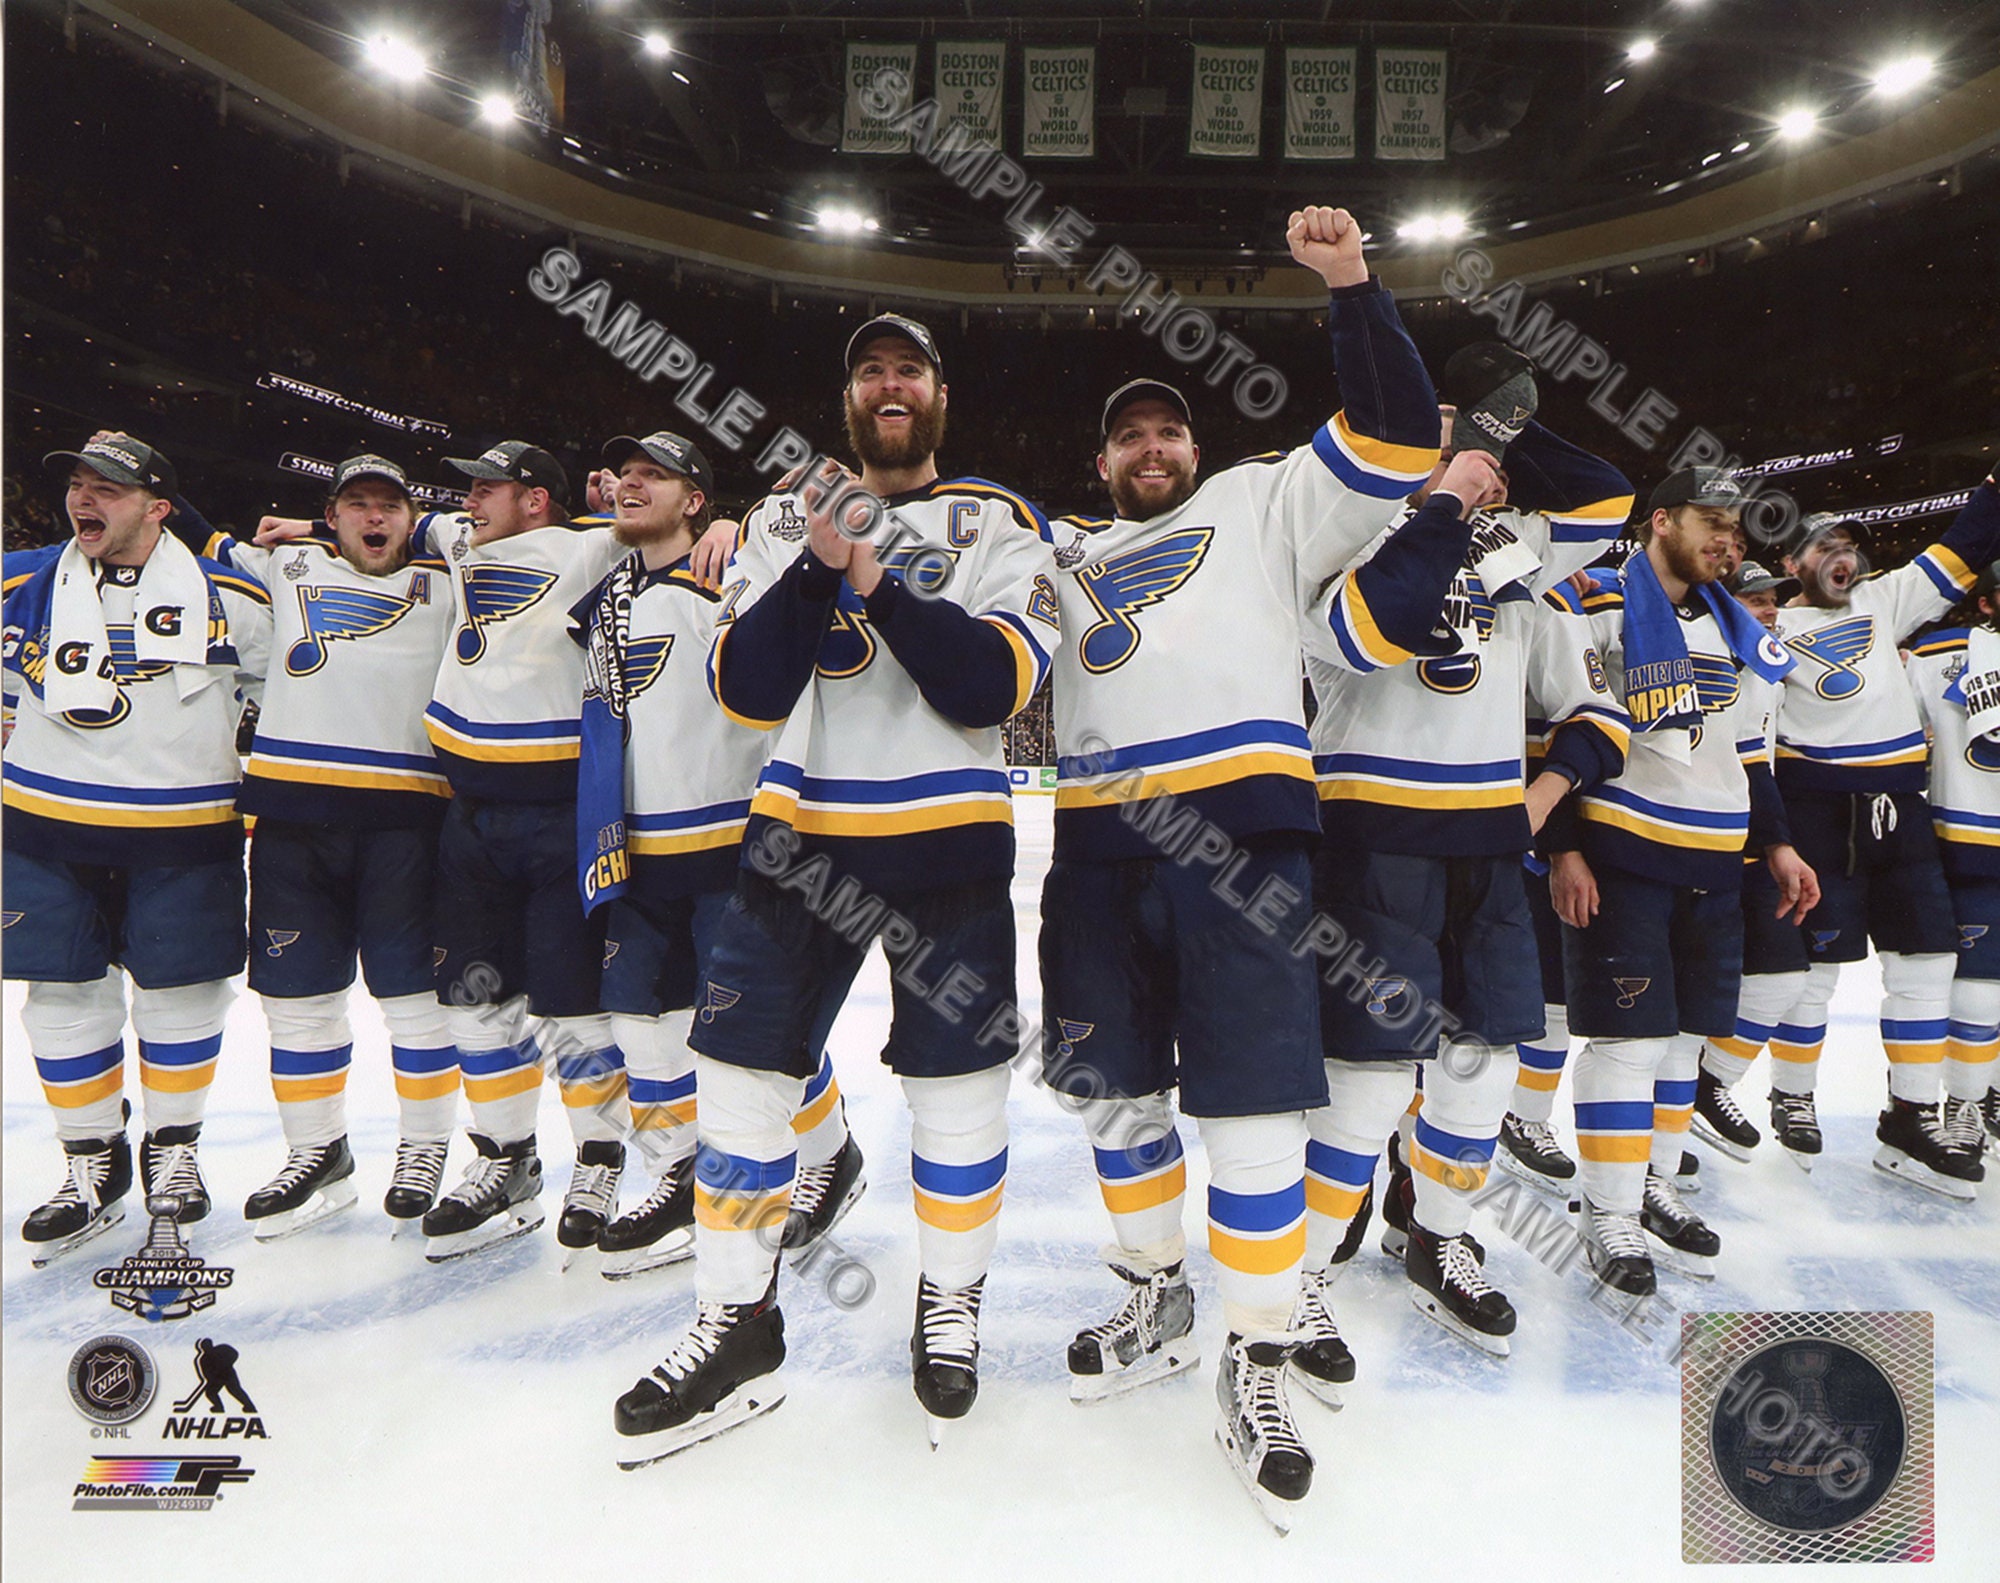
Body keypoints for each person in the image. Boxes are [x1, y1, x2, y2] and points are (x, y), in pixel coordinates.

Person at [1038, 205, 1453, 1526]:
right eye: (1129, 433)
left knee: (1258, 1105)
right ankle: (1156, 1288)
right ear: (1100, 458)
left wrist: (1350, 284)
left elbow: (1394, 434)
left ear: (1193, 449)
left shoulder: (1262, 502)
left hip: (1243, 832)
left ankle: (1257, 1350)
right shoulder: (1054, 560)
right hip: (1098, 841)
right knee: (1115, 1094)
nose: (1151, 446)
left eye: (1168, 429)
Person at [613, 314, 1057, 1460]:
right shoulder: (773, 517)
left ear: (940, 394)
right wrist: (814, 561)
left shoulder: (1000, 521)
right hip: (798, 840)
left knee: (957, 1096)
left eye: (907, 368)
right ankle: (734, 1320)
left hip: (947, 844)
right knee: (737, 1084)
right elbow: (746, 691)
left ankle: (948, 1298)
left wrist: (882, 584)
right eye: (869, 370)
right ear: (848, 396)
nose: (889, 383)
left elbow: (990, 686)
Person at [1300, 343, 1633, 1360]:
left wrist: (1535, 799)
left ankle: (1437, 1237)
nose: (1454, 437)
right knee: (1359, 1079)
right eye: (1433, 426)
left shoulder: (1516, 558)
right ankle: (1301, 1269)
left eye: (1463, 426)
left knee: (1479, 1069)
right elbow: (1351, 644)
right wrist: (1436, 495)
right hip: (1368, 833)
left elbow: (1607, 501)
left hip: (1484, 847)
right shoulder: (1341, 537)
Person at [571, 430, 862, 1279]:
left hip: (729, 837)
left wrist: (743, 523)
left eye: (651, 476)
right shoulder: (609, 588)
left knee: (751, 1032)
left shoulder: (723, 575)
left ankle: (832, 1150)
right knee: (641, 1027)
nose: (630, 485)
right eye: (621, 474)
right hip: (633, 840)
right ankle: (676, 1176)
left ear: (697, 500)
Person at [1547, 467, 1817, 1295]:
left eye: (1737, 530)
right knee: (1627, 1044)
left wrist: (1775, 844)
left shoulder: (1733, 625)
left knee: (1684, 1040)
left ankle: (1651, 1181)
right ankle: (1610, 1210)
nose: (1728, 541)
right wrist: (1562, 846)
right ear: (1660, 518)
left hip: (1714, 858)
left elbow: (1745, 749)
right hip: (1624, 852)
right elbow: (1551, 722)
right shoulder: (1589, 598)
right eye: (1711, 521)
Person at [3, 433, 271, 1261]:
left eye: (109, 489)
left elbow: (285, 692)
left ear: (159, 508)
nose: (86, 499)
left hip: (184, 828)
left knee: (183, 994)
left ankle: (174, 1149)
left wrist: (258, 788)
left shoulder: (235, 593)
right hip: (46, 826)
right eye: (79, 485)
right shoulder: (20, 580)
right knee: (59, 994)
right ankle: (92, 1163)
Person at [199, 454, 461, 1237]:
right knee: (297, 1000)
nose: (374, 518)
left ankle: (424, 1149)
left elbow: (534, 538)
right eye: (356, 506)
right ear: (332, 513)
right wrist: (308, 532)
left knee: (416, 1002)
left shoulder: (452, 578)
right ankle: (317, 1152)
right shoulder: (284, 564)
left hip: (408, 824)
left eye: (390, 505)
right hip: (292, 823)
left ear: (413, 517)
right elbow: (186, 535)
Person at [1745, 478, 2000, 1194]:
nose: (1843, 557)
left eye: (1850, 546)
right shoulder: (1765, 633)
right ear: (1793, 562)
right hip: (1816, 812)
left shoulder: (1886, 601)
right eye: (1826, 545)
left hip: (1902, 811)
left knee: (1926, 963)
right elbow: (1751, 739)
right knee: (1815, 973)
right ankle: (1792, 1093)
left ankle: (1911, 1117)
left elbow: (1964, 548)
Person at [1688, 561, 1811, 1167]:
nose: (1769, 610)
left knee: (1783, 973)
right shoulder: (1703, 655)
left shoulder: (1767, 667)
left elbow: (1760, 761)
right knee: (1681, 997)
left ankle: (1708, 1085)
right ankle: (1656, 1133)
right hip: (1689, 834)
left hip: (1749, 832)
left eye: (1773, 601)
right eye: (1754, 600)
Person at [1901, 558, 2000, 1182]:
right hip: (1970, 844)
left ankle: (1982, 1090)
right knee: (1980, 983)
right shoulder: (1936, 655)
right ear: (1986, 604)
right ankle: (1963, 1101)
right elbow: (1900, 741)